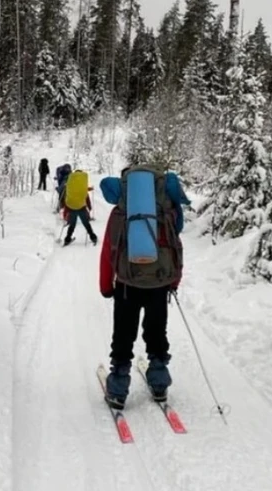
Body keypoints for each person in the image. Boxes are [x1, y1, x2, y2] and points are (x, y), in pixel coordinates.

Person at [97, 166, 190, 410]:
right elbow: (175, 247)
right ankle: (159, 383)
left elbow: (109, 251)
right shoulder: (166, 209)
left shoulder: (122, 212)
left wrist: (106, 286)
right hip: (159, 282)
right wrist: (173, 281)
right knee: (157, 331)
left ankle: (118, 388)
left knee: (124, 335)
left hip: (128, 283)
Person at [61, 169, 97, 246]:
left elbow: (67, 192)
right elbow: (84, 192)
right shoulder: (82, 184)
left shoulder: (71, 183)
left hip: (71, 206)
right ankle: (93, 237)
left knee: (72, 224)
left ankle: (67, 239)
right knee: (86, 223)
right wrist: (90, 189)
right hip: (81, 206)